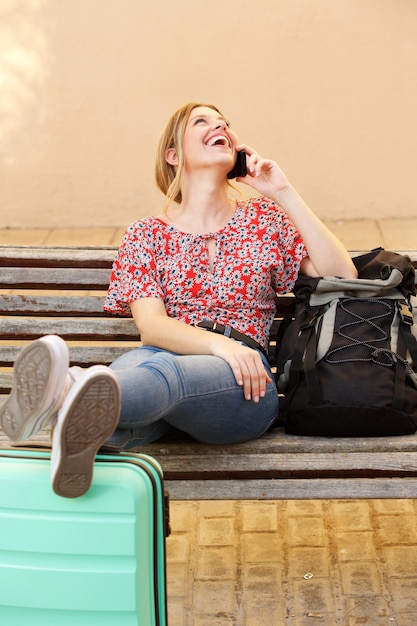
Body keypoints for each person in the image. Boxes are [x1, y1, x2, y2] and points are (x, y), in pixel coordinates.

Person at [0, 102, 358, 497]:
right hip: (163, 360)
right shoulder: (144, 234)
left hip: (242, 384)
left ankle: (63, 393)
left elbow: (342, 275)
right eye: (201, 121)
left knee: (163, 376)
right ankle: (68, 425)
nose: (219, 125)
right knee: (133, 409)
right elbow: (151, 326)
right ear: (173, 155)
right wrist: (219, 344)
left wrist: (283, 192)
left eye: (223, 122)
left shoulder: (264, 219)